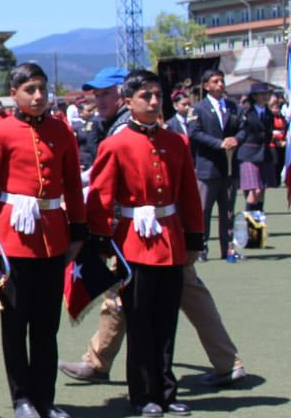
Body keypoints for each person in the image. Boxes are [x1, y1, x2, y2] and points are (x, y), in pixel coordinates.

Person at [59, 67, 247, 389]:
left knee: (160, 296)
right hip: (139, 232)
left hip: (152, 233)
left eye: (105, 93)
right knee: (127, 297)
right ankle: (100, 360)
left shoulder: (130, 130)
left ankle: (218, 364)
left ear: (123, 95)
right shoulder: (116, 128)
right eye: (95, 94)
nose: (98, 100)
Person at [0, 63, 86, 418]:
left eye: (42, 89)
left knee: (46, 325)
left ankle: (46, 398)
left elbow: (71, 183)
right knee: (15, 324)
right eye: (29, 90)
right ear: (15, 94)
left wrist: (79, 228)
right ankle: (21, 398)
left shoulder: (61, 131)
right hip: (13, 241)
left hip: (52, 238)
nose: (38, 96)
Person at [86, 70, 204, 416]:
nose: (154, 103)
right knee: (139, 322)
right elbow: (100, 197)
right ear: (128, 102)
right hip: (133, 243)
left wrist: (194, 237)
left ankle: (166, 390)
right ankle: (142, 394)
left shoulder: (176, 142)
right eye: (145, 97)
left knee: (167, 321)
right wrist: (104, 242)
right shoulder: (116, 144)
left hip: (169, 239)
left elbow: (188, 196)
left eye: (157, 96)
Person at [187, 69, 241, 261]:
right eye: (215, 81)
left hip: (229, 168)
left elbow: (243, 129)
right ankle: (201, 248)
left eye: (222, 80)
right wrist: (218, 143)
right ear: (206, 86)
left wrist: (235, 139)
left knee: (227, 211)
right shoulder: (198, 108)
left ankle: (228, 248)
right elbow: (194, 132)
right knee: (204, 210)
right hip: (208, 168)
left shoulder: (233, 107)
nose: (220, 84)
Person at [235, 82, 274, 225]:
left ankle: (258, 223)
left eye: (267, 94)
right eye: (263, 94)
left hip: (264, 154)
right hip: (249, 153)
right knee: (255, 191)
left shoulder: (268, 113)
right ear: (255, 96)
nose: (266, 96)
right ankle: (249, 224)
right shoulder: (247, 112)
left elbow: (268, 133)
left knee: (262, 191)